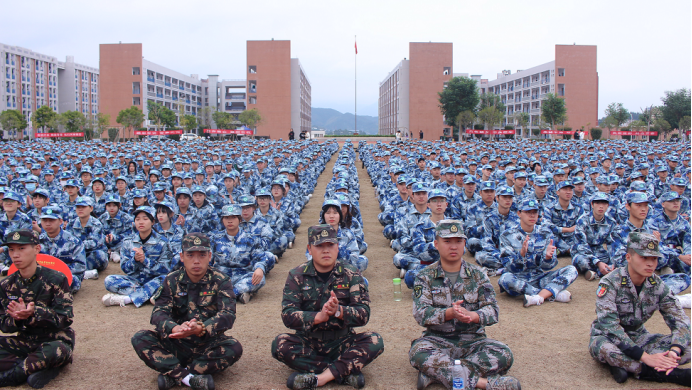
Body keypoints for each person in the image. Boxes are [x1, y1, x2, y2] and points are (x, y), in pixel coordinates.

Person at [409, 220, 519, 390]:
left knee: (504, 353)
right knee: (418, 352)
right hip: (437, 341)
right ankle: (484, 383)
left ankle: (436, 375)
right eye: (447, 241)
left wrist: (475, 316)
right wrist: (449, 313)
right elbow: (421, 313)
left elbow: (493, 310)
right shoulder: (425, 276)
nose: (454, 246)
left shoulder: (478, 275)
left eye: (458, 241)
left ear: (465, 244)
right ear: (436, 244)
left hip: (473, 342)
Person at [271, 225, 384, 389]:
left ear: (337, 247)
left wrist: (339, 312)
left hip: (343, 341)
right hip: (309, 342)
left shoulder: (351, 274)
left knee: (375, 341)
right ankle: (343, 372)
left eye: (330, 245)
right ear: (309, 249)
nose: (326, 250)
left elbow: (363, 314)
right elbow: (288, 316)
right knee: (279, 344)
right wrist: (318, 317)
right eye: (319, 246)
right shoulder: (297, 275)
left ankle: (320, 378)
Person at [132, 233, 242, 390]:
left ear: (210, 256)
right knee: (140, 338)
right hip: (176, 342)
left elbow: (228, 315)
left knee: (234, 347)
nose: (196, 261)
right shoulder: (171, 280)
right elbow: (158, 313)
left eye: (202, 255)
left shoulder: (221, 280)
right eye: (190, 255)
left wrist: (201, 328)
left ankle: (175, 374)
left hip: (207, 344)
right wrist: (174, 328)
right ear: (182, 257)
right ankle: (190, 378)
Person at [589, 232, 690, 386]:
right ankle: (669, 374)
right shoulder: (609, 283)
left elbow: (680, 320)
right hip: (608, 337)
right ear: (628, 257)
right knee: (605, 349)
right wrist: (645, 357)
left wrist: (674, 351)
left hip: (639, 336)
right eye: (644, 258)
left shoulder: (657, 285)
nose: (650, 264)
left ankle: (624, 366)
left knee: (686, 345)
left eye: (654, 258)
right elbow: (610, 327)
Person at [0, 229, 74, 388]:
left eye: (21, 248)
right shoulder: (6, 285)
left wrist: (35, 312)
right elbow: (3, 324)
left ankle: (11, 376)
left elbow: (65, 318)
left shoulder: (56, 279)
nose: (15, 255)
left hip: (54, 340)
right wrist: (16, 318)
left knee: (56, 350)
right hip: (25, 341)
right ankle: (36, 367)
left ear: (36, 249)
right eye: (11, 249)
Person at [498, 198, 577, 307]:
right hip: (518, 279)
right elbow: (509, 266)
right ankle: (549, 293)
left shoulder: (545, 233)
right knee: (505, 279)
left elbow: (548, 266)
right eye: (528, 212)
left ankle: (539, 297)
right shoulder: (507, 235)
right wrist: (521, 255)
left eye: (535, 212)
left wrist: (548, 258)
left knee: (571, 270)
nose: (532, 215)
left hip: (539, 278)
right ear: (519, 213)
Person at [102, 206, 174, 308]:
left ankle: (127, 299)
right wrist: (135, 260)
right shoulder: (128, 242)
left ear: (152, 221)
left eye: (145, 219)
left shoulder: (163, 242)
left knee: (165, 280)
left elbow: (165, 269)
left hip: (154, 279)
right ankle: (150, 294)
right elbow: (125, 268)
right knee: (109, 280)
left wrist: (145, 261)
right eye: (137, 219)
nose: (141, 222)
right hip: (135, 281)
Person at [210, 205, 273, 304]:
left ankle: (227, 294)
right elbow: (208, 260)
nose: (230, 221)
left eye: (233, 217)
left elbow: (259, 257)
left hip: (242, 275)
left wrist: (260, 268)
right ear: (222, 220)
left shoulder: (250, 239)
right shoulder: (215, 239)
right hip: (221, 275)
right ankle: (239, 294)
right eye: (226, 218)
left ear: (240, 220)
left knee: (259, 279)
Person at [38, 205, 87, 294]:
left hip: (65, 275)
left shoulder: (73, 241)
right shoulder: (37, 242)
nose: (48, 223)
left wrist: (57, 271)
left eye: (52, 220)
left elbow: (80, 266)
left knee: (68, 281)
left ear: (60, 221)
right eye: (44, 220)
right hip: (42, 275)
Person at [571, 192, 619, 281]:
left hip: (599, 251)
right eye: (598, 203)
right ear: (592, 204)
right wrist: (598, 262)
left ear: (608, 205)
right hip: (582, 252)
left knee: (618, 260)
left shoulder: (611, 222)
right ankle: (602, 272)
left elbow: (612, 244)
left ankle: (597, 273)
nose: (601, 206)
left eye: (604, 203)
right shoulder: (583, 220)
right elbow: (581, 245)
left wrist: (612, 263)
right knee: (582, 262)